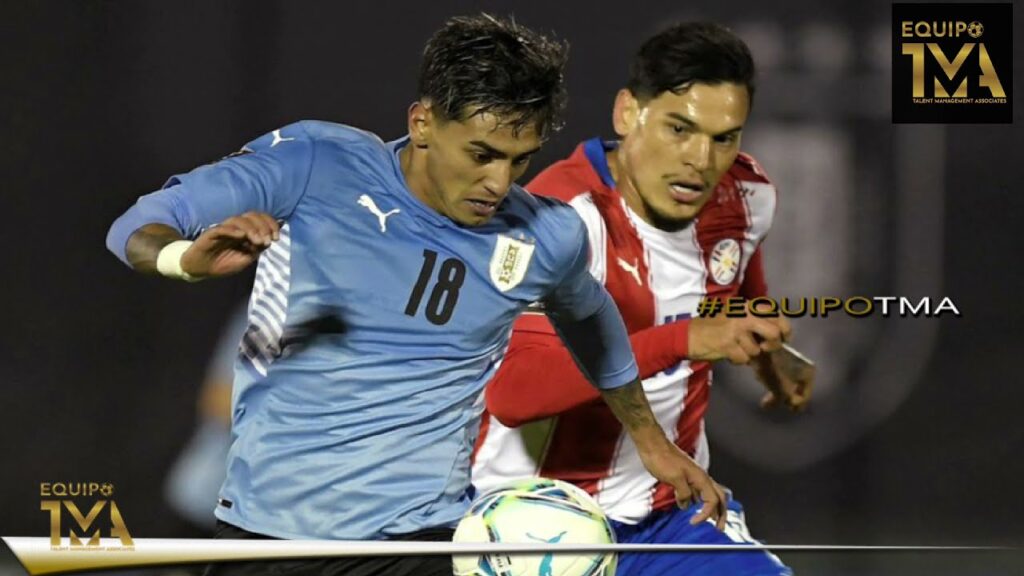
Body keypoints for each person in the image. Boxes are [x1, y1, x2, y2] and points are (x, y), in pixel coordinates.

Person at [105, 14, 726, 576]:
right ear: (422, 122)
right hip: (270, 541)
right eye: (482, 154)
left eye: (520, 159)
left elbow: (590, 317)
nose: (499, 182)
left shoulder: (546, 234)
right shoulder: (315, 163)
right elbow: (135, 227)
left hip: (423, 543)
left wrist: (650, 440)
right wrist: (183, 260)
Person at [472, 22, 815, 575]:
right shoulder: (558, 218)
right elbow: (513, 395)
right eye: (680, 128)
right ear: (628, 113)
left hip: (670, 515)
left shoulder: (749, 197)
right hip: (532, 519)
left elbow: (736, 285)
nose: (701, 160)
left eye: (725, 137)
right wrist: (685, 339)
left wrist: (768, 351)